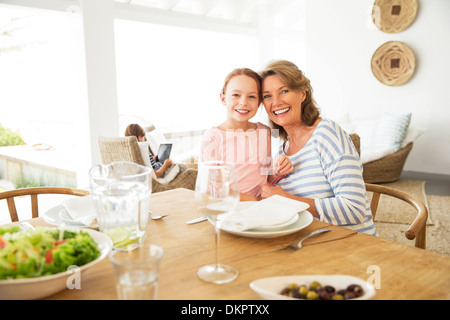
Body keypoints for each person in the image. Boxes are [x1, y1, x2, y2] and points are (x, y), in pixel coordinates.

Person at [259, 60, 377, 235]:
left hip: (349, 246)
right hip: (304, 242)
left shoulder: (327, 134)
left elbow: (355, 209)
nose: (275, 102)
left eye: (284, 91)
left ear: (302, 94)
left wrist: (288, 200)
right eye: (267, 96)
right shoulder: (279, 150)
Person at [200, 67, 293, 201]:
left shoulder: (264, 132)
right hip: (230, 210)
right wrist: (251, 200)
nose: (243, 102)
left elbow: (266, 177)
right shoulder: (213, 137)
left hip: (261, 208)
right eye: (236, 95)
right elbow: (209, 190)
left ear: (259, 102)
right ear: (223, 98)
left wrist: (278, 172)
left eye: (251, 96)